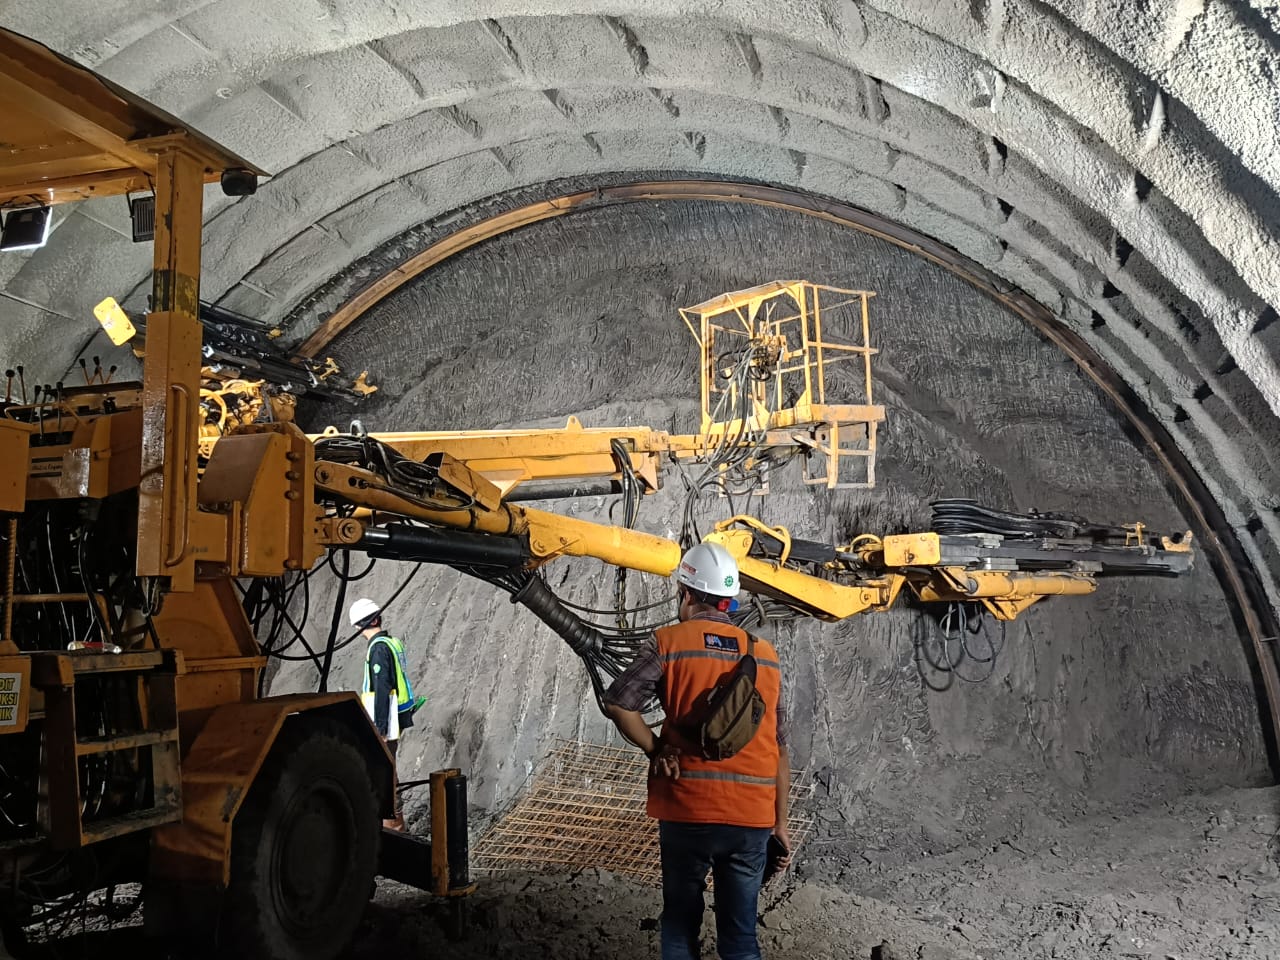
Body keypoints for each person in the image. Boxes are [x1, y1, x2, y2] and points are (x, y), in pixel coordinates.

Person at [603, 542, 792, 960]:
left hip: (688, 809)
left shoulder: (668, 642)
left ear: (686, 594)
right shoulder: (766, 656)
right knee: (741, 939)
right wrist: (779, 823)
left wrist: (656, 750)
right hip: (752, 818)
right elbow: (779, 750)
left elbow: (618, 703)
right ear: (728, 601)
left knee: (679, 928)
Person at [351, 597, 425, 831]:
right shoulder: (392, 642)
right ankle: (393, 824)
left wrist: (380, 728)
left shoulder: (379, 648)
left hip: (388, 720)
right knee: (387, 770)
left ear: (359, 626)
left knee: (385, 772)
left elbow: (382, 687)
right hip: (397, 716)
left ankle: (394, 827)